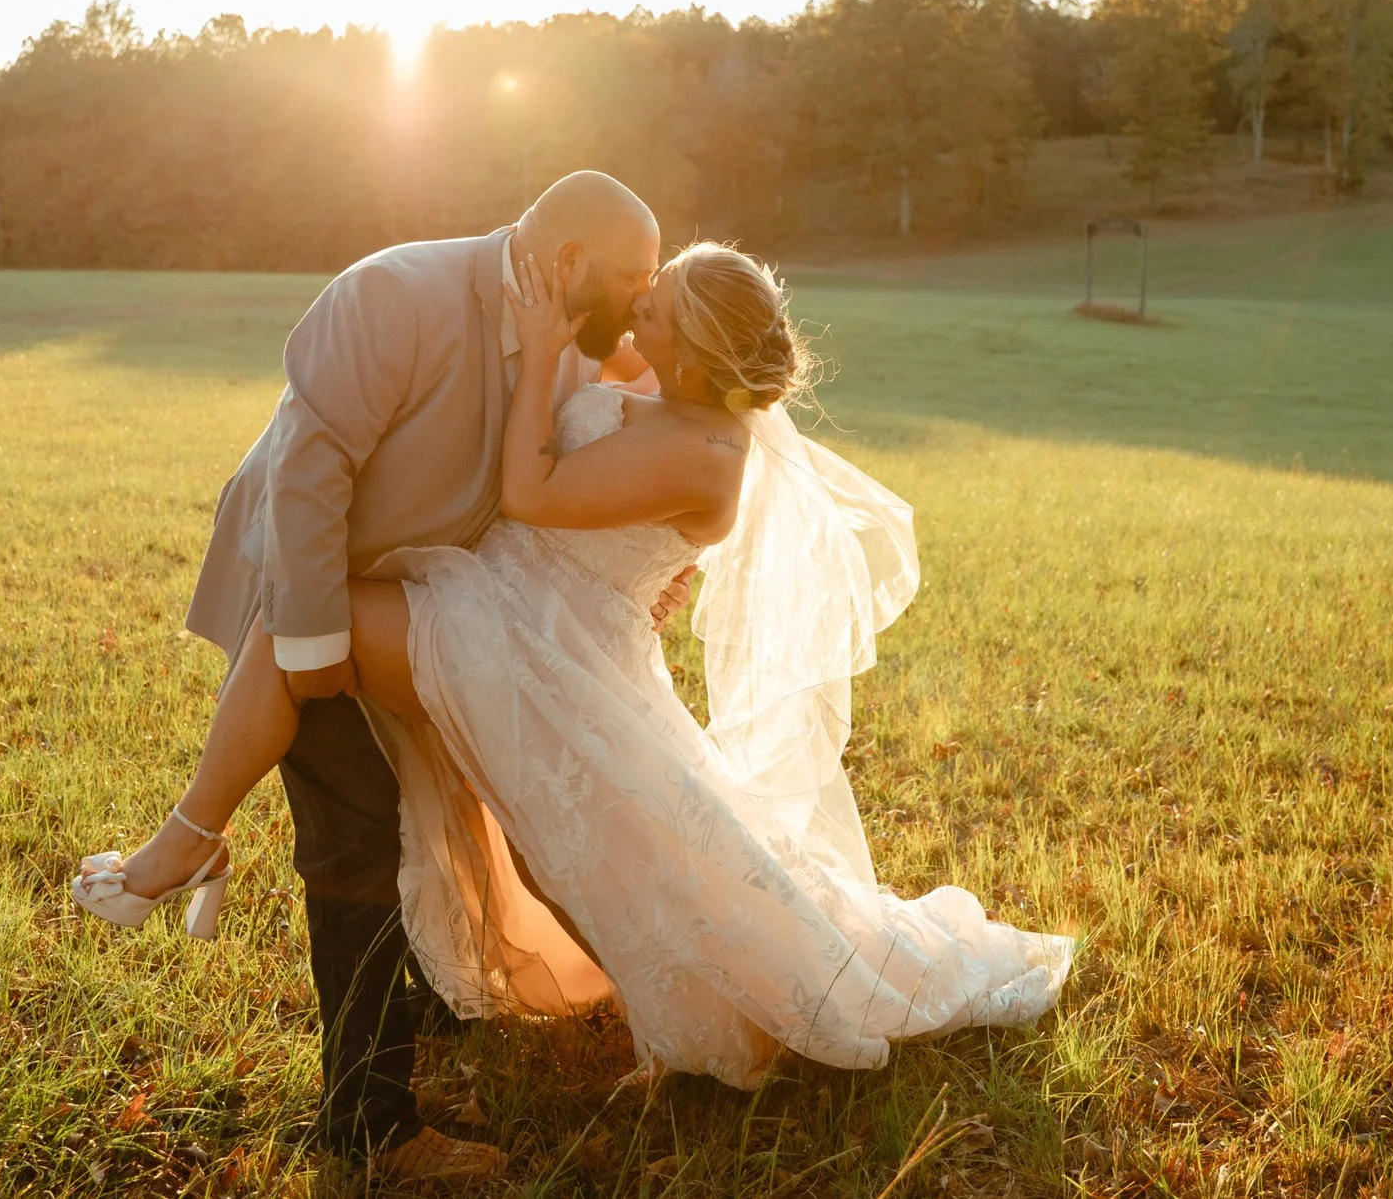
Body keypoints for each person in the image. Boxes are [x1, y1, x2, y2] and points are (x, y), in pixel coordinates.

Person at [77, 227, 1074, 1137]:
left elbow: (531, 490)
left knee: (321, 648)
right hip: (512, 609)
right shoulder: (673, 384)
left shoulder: (709, 456)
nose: (636, 306)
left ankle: (187, 842)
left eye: (658, 302)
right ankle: (193, 841)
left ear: (691, 349)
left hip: (528, 638)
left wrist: (536, 340)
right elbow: (590, 405)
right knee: (558, 836)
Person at [79, 172, 673, 1182]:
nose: (639, 300)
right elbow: (304, 480)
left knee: (447, 807)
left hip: (431, 607)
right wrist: (313, 654)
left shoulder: (574, 342)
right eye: (631, 277)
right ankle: (370, 1125)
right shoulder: (393, 293)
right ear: (568, 263)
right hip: (306, 588)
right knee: (355, 830)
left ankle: (438, 999)